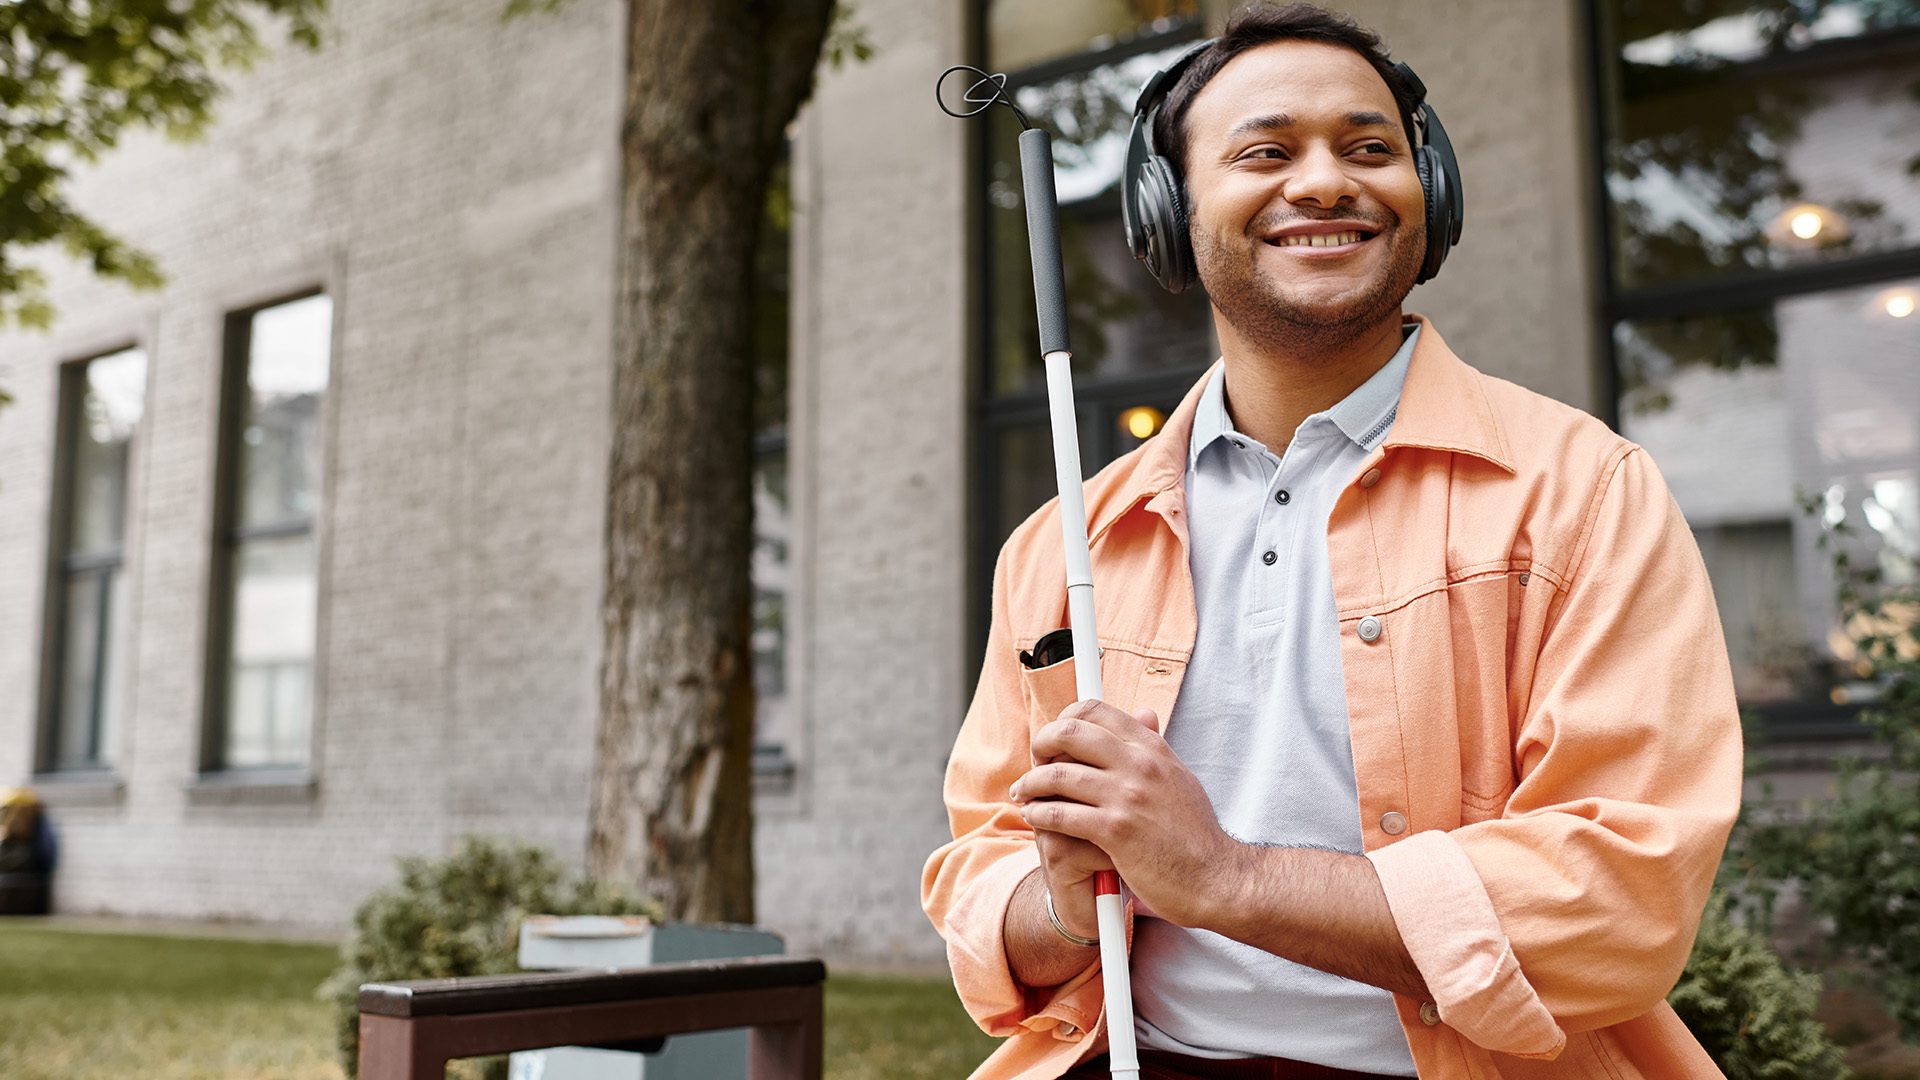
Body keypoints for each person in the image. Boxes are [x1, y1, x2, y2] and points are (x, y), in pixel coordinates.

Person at [921, 5, 1743, 1080]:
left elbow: (1622, 894)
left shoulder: (1584, 492)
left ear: (1430, 195)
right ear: (1165, 211)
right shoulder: (1060, 542)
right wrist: (1063, 907)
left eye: (1369, 149)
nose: (1323, 183)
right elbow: (979, 878)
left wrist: (1223, 877)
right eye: (1265, 152)